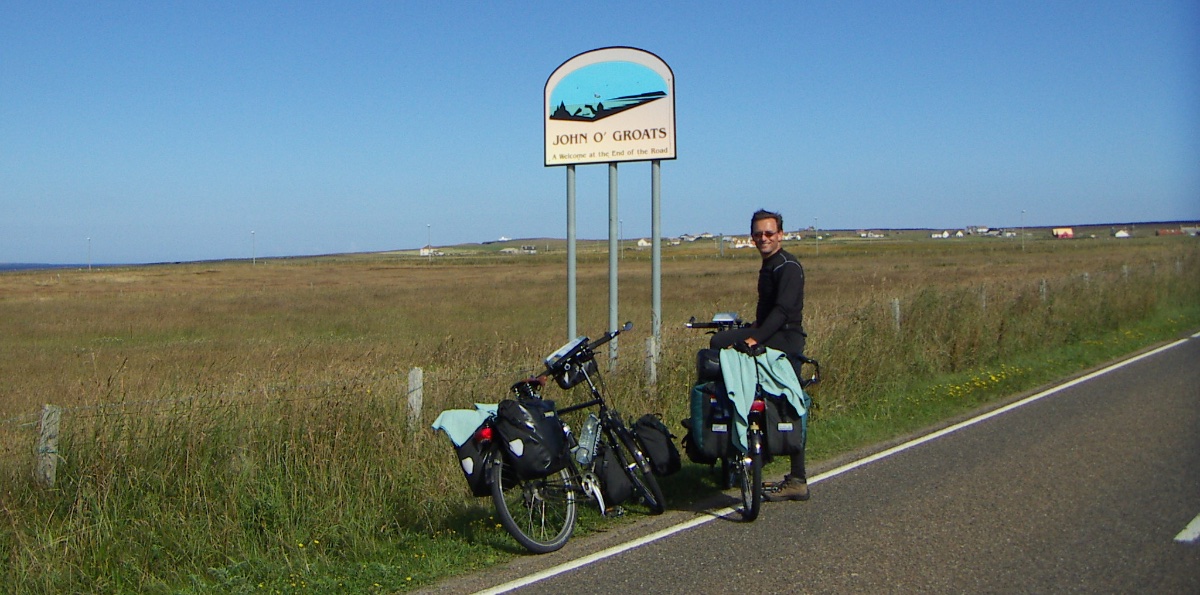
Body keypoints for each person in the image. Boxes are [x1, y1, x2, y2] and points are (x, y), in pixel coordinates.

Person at [710, 209, 810, 502]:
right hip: (772, 333)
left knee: (790, 399)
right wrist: (751, 328)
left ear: (780, 234)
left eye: (769, 233)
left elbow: (782, 311)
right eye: (758, 234)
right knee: (721, 343)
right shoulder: (770, 265)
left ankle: (798, 478)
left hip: (787, 339)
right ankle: (747, 446)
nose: (763, 238)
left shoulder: (787, 266)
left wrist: (754, 337)